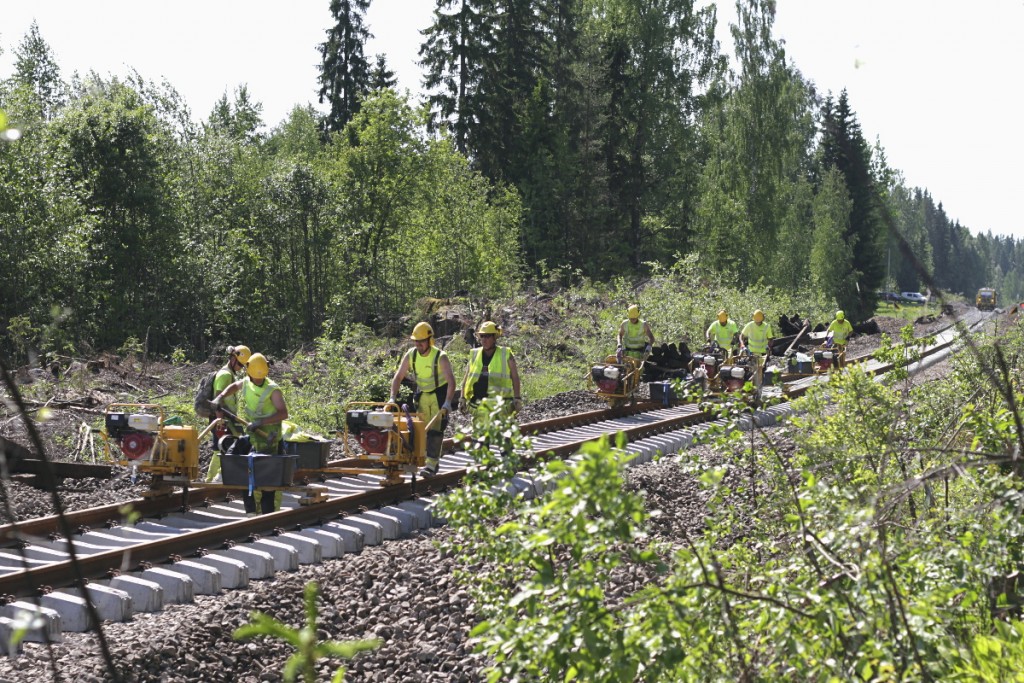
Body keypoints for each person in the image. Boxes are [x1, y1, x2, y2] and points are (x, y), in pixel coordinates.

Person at [211, 353, 289, 515]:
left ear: (248, 369)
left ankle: (267, 518)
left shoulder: (273, 390)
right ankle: (251, 514)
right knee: (246, 477)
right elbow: (235, 386)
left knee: (267, 485)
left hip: (270, 441)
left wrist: (261, 422)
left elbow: (283, 413)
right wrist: (221, 396)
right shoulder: (247, 381)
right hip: (253, 437)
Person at [389, 322, 456, 477]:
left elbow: (451, 381)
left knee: (435, 431)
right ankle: (415, 462)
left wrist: (447, 402)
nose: (418, 344)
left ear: (430, 340)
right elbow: (398, 376)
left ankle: (432, 466)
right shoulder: (411, 355)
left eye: (421, 341)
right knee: (418, 430)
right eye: (416, 341)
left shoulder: (440, 357)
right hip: (422, 395)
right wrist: (392, 398)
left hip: (439, 395)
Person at [206, 344, 250, 483]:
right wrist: (220, 421)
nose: (241, 368)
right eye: (240, 365)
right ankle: (213, 479)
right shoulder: (225, 375)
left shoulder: (229, 374)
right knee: (223, 447)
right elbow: (218, 397)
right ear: (233, 359)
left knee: (227, 446)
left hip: (228, 417)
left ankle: (216, 477)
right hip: (222, 417)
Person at [461, 321, 522, 419]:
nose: (484, 340)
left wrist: (517, 398)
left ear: (494, 338)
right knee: (480, 433)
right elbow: (467, 378)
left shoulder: (505, 354)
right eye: (482, 336)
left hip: (501, 405)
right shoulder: (474, 354)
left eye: (488, 336)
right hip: (478, 404)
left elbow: (515, 377)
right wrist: (462, 398)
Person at [740, 309, 775, 385]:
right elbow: (741, 336)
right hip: (751, 353)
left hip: (762, 354)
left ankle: (758, 386)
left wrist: (769, 346)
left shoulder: (766, 326)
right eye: (756, 321)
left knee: (760, 370)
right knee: (751, 370)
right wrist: (742, 344)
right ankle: (752, 385)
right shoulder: (750, 325)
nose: (757, 323)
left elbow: (770, 339)